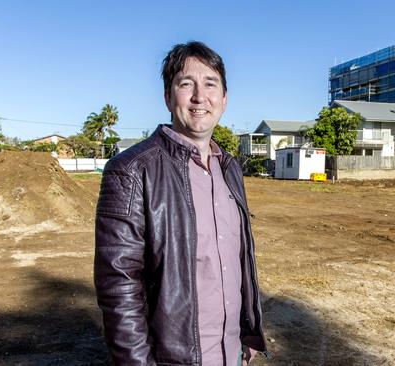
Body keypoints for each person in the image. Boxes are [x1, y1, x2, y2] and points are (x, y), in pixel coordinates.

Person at [94, 41, 268, 366]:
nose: (200, 97)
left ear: (224, 99)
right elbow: (118, 284)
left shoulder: (229, 168)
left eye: (210, 84)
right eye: (186, 83)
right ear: (167, 96)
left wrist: (246, 332)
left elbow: (237, 261)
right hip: (173, 358)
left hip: (231, 353)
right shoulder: (131, 171)